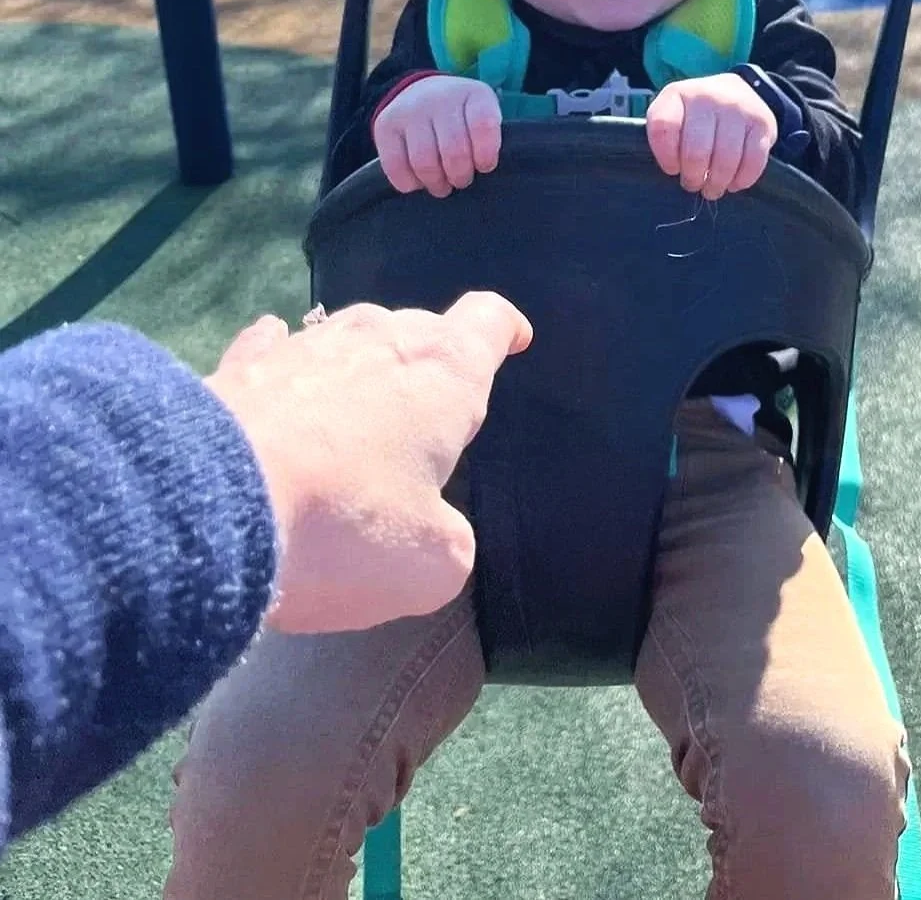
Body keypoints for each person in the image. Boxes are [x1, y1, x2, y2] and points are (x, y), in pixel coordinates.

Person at [166, 0, 909, 900]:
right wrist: (412, 114)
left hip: (702, 452)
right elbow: (353, 177)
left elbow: (835, 146)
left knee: (825, 777)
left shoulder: (753, 11)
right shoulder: (459, 17)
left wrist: (759, 111)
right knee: (253, 770)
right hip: (439, 449)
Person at [0, 292, 531, 853]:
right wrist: (211, 474)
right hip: (393, 439)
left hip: (629, 476)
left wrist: (204, 470)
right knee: (247, 786)